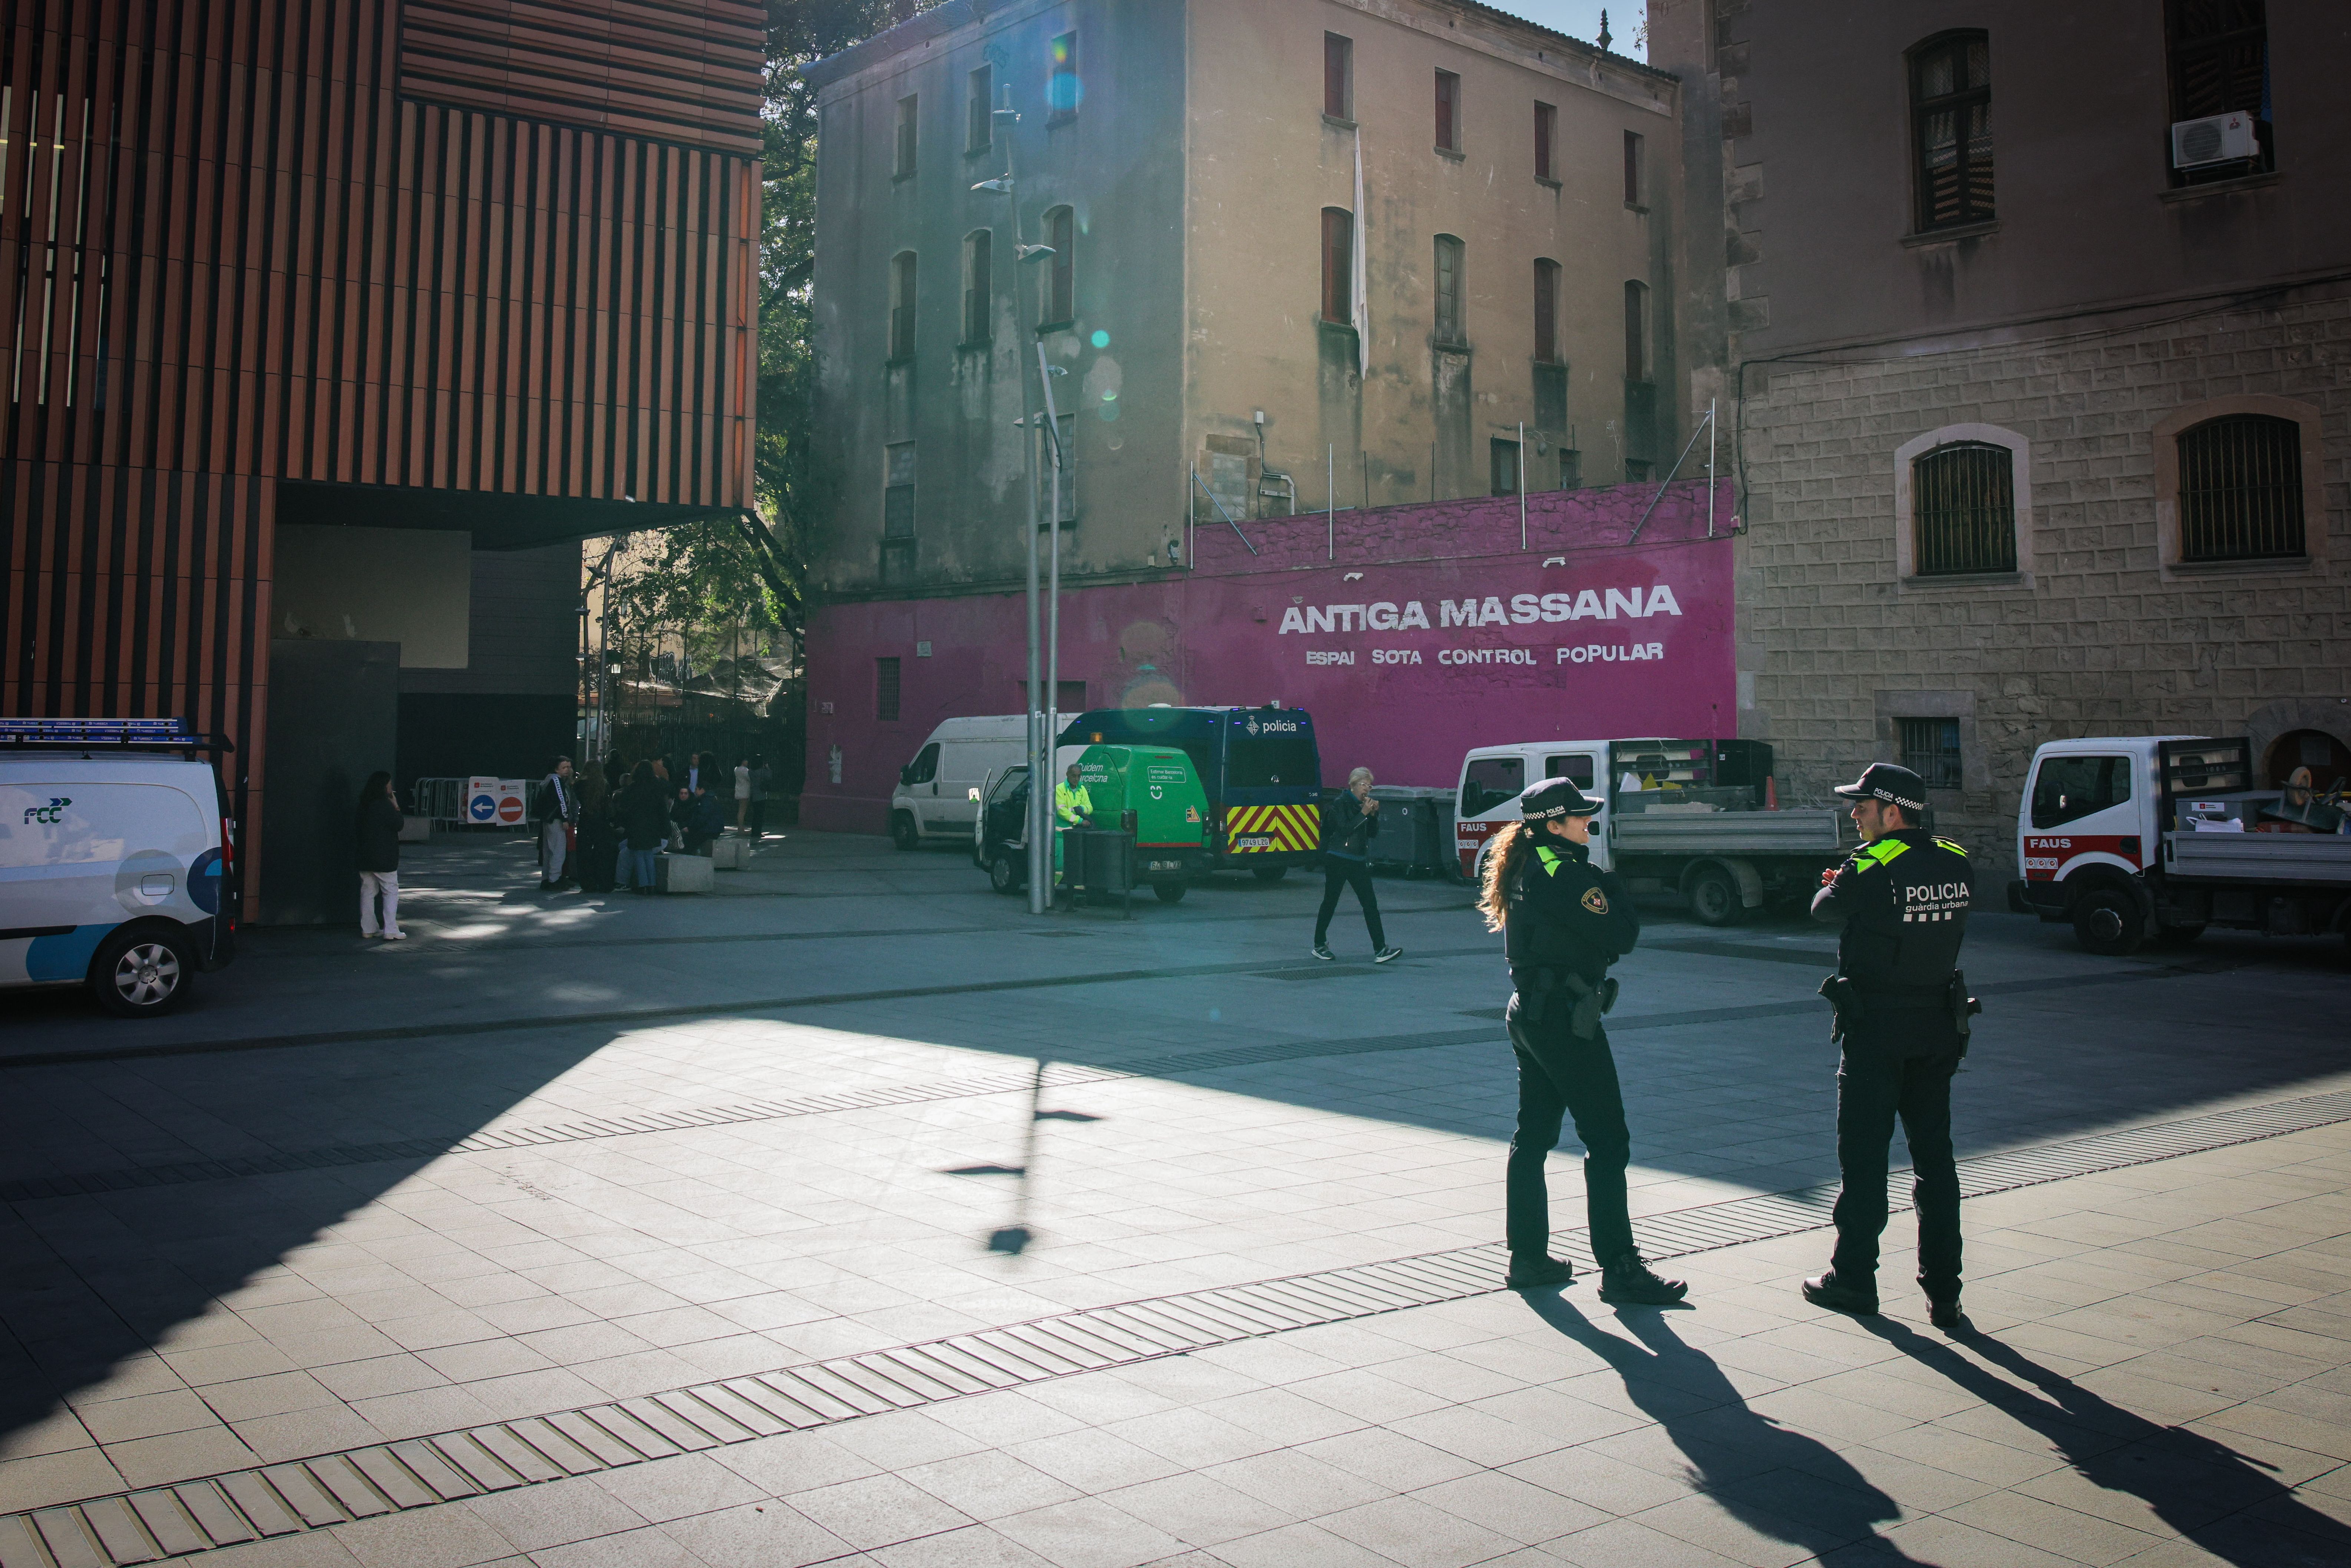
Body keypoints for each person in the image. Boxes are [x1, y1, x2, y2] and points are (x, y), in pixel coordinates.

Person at [1482, 776, 1687, 1303]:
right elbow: (1622, 935)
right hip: (1566, 1022)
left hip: (1530, 1013)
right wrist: (1611, 885)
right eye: (1580, 817)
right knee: (1608, 1139)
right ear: (1554, 825)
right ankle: (1619, 1266)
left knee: (1533, 1137)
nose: (1588, 824)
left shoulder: (1529, 865)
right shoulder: (1568, 875)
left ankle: (1527, 1257)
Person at [1805, 763, 1977, 1330]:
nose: (1853, 814)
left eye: (1862, 806)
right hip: (1937, 1030)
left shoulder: (1871, 864)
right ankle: (1945, 1295)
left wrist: (1838, 883)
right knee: (1935, 1163)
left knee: (1864, 1161)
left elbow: (1822, 910)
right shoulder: (1956, 859)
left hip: (1878, 1031)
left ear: (1892, 812)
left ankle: (1854, 1279)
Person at [1314, 768, 1401, 963]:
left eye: (1369, 786)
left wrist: (1373, 816)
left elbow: (1372, 833)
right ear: (1352, 785)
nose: (1367, 790)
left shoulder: (1365, 806)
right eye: (1363, 785)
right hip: (1338, 858)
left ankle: (1381, 949)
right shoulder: (1339, 804)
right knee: (1331, 901)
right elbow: (1344, 830)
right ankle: (1319, 944)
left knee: (1370, 904)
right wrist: (1363, 813)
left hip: (1357, 861)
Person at [355, 772, 406, 939]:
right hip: (385, 857)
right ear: (385, 787)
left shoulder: (364, 804)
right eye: (390, 784)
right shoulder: (385, 806)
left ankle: (368, 928)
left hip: (365, 856)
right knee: (390, 891)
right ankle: (391, 929)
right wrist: (396, 806)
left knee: (368, 891)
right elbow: (399, 824)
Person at [618, 761, 669, 893]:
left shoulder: (632, 788)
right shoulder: (657, 787)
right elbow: (663, 809)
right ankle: (651, 884)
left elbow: (624, 808)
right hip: (653, 826)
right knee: (648, 855)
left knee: (639, 855)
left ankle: (643, 884)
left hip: (637, 826)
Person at [575, 760, 617, 893]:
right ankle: (604, 882)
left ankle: (588, 882)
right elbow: (607, 805)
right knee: (603, 852)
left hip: (586, 819)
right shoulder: (604, 785)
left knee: (584, 852)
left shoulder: (579, 785)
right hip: (601, 821)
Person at [1052, 760, 1092, 894]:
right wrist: (1080, 820)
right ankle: (1049, 892)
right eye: (1074, 776)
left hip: (1075, 834)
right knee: (1059, 866)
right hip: (1061, 834)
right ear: (1068, 775)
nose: (1076, 779)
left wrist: (1081, 809)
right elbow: (1062, 811)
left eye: (1079, 776)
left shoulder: (1082, 789)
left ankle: (1077, 895)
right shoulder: (1059, 789)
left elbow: (1090, 808)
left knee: (1076, 864)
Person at [538, 756, 578, 891]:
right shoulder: (557, 781)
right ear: (557, 769)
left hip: (549, 818)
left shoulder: (549, 780)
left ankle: (547, 878)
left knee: (549, 850)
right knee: (558, 850)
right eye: (564, 767)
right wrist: (565, 818)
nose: (567, 770)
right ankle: (554, 880)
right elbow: (561, 800)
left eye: (569, 767)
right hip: (556, 819)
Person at [749, 753, 772, 839]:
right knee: (760, 815)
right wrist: (767, 768)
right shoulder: (763, 771)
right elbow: (769, 776)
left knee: (755, 815)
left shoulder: (750, 771)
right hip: (761, 795)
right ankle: (758, 832)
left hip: (753, 794)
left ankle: (754, 832)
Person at [733, 756, 752, 833]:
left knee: (741, 810)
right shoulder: (745, 770)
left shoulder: (736, 769)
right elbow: (750, 779)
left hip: (739, 790)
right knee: (743, 810)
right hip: (745, 791)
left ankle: (740, 827)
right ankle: (741, 828)